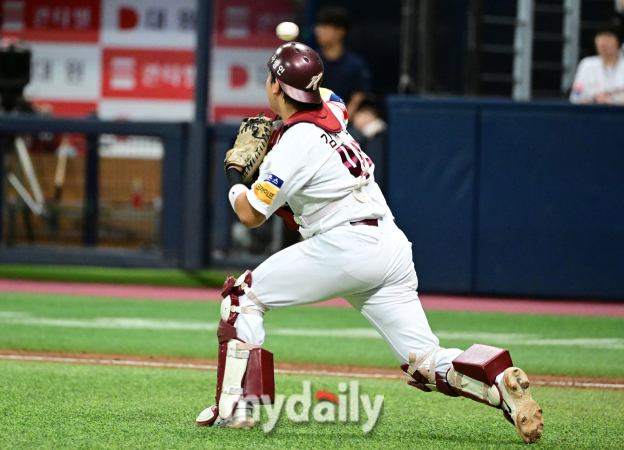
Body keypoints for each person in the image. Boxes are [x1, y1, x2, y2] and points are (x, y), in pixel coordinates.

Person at [195, 42, 544, 444]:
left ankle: (238, 407)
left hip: (346, 244)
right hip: (389, 245)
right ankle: (499, 382)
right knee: (422, 359)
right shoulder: (334, 111)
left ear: (274, 84)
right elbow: (327, 97)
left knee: (242, 297)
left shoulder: (293, 144)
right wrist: (279, 124)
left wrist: (235, 174)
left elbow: (251, 214)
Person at [314, 6, 371, 119]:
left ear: (340, 32)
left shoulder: (356, 65)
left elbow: (358, 97)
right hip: (315, 119)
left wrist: (340, 120)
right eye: (318, 26)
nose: (319, 31)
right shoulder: (310, 61)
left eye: (325, 27)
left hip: (346, 121)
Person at [570, 22, 624, 105]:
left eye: (608, 38)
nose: (603, 43)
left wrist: (612, 98)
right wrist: (594, 97)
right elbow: (576, 96)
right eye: (600, 38)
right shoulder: (587, 65)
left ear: (618, 41)